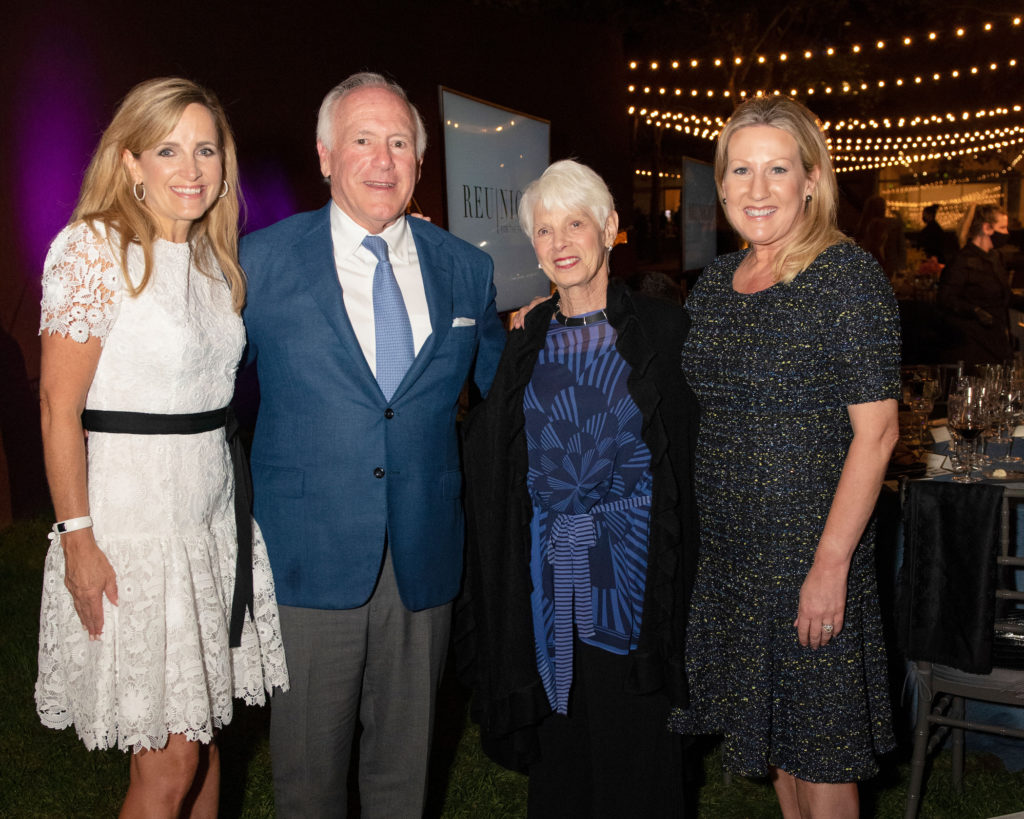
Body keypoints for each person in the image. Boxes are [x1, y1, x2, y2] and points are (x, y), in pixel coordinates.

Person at [240, 71, 505, 818]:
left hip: (425, 566)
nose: (382, 160)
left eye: (399, 143)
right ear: (325, 154)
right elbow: (211, 400)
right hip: (305, 565)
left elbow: (502, 399)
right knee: (307, 781)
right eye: (363, 140)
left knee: (405, 775)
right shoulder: (258, 264)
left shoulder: (467, 269)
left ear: (420, 161)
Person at [36, 77, 288, 817]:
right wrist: (78, 539)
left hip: (208, 525)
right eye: (169, 148)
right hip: (134, 529)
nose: (191, 166)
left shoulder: (215, 264)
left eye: (206, 148)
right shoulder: (93, 249)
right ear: (130, 160)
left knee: (206, 740)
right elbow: (58, 405)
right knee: (170, 760)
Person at [668, 97, 900, 819]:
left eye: (777, 169)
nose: (758, 188)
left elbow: (879, 432)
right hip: (736, 554)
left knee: (821, 752)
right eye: (742, 169)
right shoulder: (716, 284)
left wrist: (829, 567)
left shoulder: (845, 278)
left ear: (812, 180)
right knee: (775, 743)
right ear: (722, 182)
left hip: (810, 550)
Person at [460, 160, 699, 817]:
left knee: (639, 755)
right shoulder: (526, 344)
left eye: (575, 223)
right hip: (547, 581)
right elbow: (493, 462)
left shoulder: (662, 333)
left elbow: (690, 465)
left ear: (611, 228)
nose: (560, 241)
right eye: (544, 230)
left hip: (636, 582)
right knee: (564, 755)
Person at [938, 203, 1020, 365]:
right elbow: (945, 299)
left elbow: (1005, 297)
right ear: (987, 228)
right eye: (1002, 228)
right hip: (972, 342)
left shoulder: (995, 258)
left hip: (996, 339)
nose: (1006, 233)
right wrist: (974, 310)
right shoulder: (962, 261)